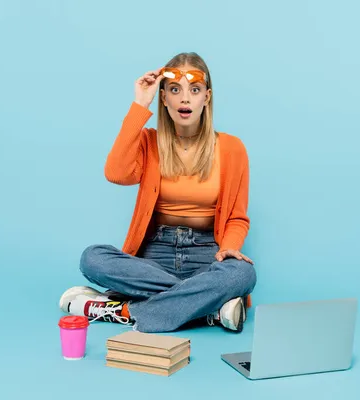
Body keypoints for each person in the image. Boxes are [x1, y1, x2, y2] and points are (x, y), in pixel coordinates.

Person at [58, 52, 256, 333]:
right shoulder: (149, 142)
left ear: (207, 98)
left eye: (195, 90)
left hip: (207, 257)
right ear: (164, 98)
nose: (185, 99)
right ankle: (208, 308)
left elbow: (237, 218)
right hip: (153, 260)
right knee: (92, 257)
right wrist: (140, 103)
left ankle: (125, 311)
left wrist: (229, 248)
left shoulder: (232, 148)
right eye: (175, 90)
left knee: (242, 273)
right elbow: (116, 173)